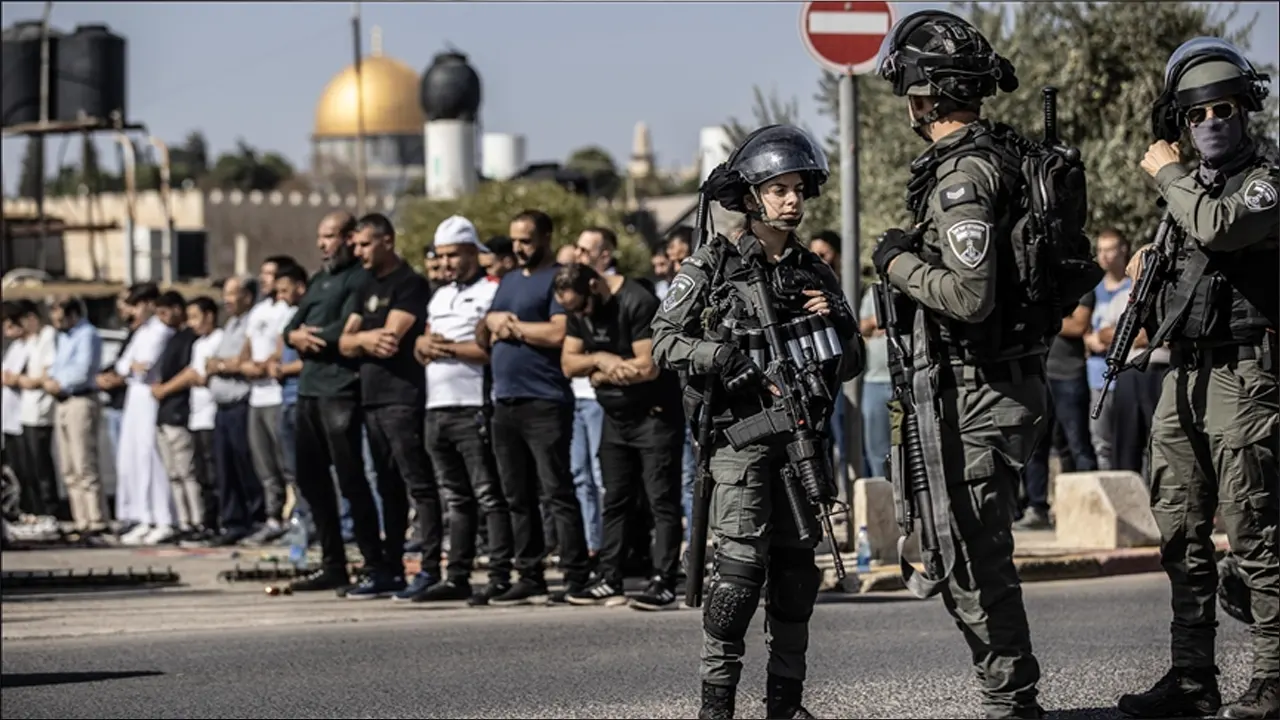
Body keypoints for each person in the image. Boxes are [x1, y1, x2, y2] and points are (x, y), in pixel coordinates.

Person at [651, 125, 864, 719]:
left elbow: (852, 364)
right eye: (777, 189)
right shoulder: (712, 265)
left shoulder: (814, 272)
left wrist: (837, 326)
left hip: (801, 444)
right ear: (751, 197)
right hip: (741, 445)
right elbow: (664, 342)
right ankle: (715, 708)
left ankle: (784, 706)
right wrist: (719, 355)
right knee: (738, 582)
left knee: (796, 582)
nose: (791, 200)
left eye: (797, 188)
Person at [872, 11, 1045, 718]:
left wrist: (895, 260)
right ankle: (1012, 696)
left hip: (977, 394)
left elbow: (970, 296)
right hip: (982, 389)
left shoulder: (962, 178)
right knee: (970, 558)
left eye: (911, 91)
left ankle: (1012, 703)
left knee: (974, 561)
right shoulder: (995, 158)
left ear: (928, 96)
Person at [1116, 37, 1278, 720]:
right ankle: (1192, 677)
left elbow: (1221, 228)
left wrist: (1167, 176)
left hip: (1244, 375)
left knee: (1255, 529)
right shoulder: (1186, 194)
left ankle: (1272, 675)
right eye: (1197, 113)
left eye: (1225, 108)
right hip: (1181, 375)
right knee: (1180, 531)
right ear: (1179, 122)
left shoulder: (1265, 180)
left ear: (1248, 111)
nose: (1212, 121)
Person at [475, 209, 591, 606]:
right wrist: (492, 322)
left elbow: (560, 331)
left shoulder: (557, 277)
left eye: (526, 240)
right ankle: (530, 574)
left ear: (544, 237)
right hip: (504, 402)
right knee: (516, 495)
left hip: (544, 400)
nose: (519, 248)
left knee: (555, 489)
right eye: (515, 241)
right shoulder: (507, 280)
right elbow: (486, 330)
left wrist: (515, 328)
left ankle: (576, 576)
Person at [556, 263, 685, 611]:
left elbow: (647, 367)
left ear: (595, 285)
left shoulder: (636, 301)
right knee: (615, 498)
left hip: (654, 415)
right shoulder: (577, 305)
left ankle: (664, 579)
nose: (580, 315)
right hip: (616, 418)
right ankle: (609, 577)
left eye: (582, 306)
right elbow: (568, 363)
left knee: (661, 499)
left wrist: (599, 376)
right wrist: (600, 358)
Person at [338, 212, 442, 600]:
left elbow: (391, 338)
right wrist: (364, 339)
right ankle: (390, 568)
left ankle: (430, 568)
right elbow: (345, 342)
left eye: (365, 244)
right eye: (356, 245)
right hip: (371, 397)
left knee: (419, 485)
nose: (358, 251)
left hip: (402, 397)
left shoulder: (409, 283)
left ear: (387, 241)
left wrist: (361, 339)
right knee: (386, 487)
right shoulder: (363, 284)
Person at [416, 215, 514, 605]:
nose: (447, 263)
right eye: (441, 256)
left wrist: (447, 348)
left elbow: (487, 351)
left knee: (489, 494)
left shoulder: (492, 291)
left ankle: (500, 574)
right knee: (454, 498)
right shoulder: (439, 295)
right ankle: (456, 574)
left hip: (472, 404)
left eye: (454, 255)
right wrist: (426, 347)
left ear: (473, 252)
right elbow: (421, 345)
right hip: (436, 406)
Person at [283, 211, 381, 593]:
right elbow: (290, 325)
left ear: (348, 237)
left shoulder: (359, 279)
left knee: (351, 480)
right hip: (309, 390)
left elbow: (349, 327)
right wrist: (296, 337)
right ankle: (332, 562)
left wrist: (316, 337)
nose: (323, 245)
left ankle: (373, 561)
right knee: (311, 480)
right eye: (320, 237)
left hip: (340, 390)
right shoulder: (321, 279)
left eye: (330, 237)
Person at [239, 256, 299, 545]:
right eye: (262, 274)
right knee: (264, 464)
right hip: (257, 396)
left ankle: (295, 517)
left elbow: (280, 348)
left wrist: (266, 365)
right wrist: (246, 365)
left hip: (278, 394)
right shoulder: (259, 311)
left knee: (287, 463)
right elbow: (246, 351)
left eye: (270, 274)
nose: (265, 280)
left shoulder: (289, 311)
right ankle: (273, 517)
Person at [113, 283, 177, 545]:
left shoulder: (162, 332)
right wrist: (130, 367)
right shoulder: (141, 332)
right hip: (134, 399)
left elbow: (144, 366)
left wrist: (131, 367)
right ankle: (143, 516)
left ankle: (164, 518)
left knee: (153, 459)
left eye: (139, 304)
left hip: (150, 397)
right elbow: (122, 365)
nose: (135, 311)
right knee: (133, 458)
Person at [204, 276, 264, 546]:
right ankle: (233, 522)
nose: (226, 300)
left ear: (247, 297)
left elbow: (242, 363)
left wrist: (223, 365)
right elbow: (214, 362)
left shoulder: (253, 321)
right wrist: (221, 364)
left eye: (232, 294)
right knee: (224, 468)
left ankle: (255, 519)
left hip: (241, 403)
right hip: (221, 406)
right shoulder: (230, 325)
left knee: (245, 465)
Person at [43, 296, 106, 540]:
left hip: (80, 398)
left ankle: (96, 518)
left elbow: (83, 370)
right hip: (62, 401)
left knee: (84, 463)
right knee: (68, 466)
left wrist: (59, 384)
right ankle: (80, 519)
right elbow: (58, 366)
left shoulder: (86, 335)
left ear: (72, 315)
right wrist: (50, 380)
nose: (57, 323)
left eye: (60, 317)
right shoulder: (63, 337)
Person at [148, 291, 204, 542]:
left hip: (179, 411)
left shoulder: (191, 339)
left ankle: (198, 521)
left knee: (187, 471)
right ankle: (184, 520)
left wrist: (165, 388)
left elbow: (190, 372)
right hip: (164, 413)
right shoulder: (173, 338)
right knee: (173, 473)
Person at [1084, 229, 1133, 471]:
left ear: (1123, 250)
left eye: (1109, 249)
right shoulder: (1093, 289)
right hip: (1096, 377)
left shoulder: (1133, 287)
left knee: (1131, 441)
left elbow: (1134, 332)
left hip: (1127, 377)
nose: (1104, 256)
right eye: (1100, 250)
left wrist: (1105, 336)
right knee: (1100, 442)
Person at [181, 296, 225, 541]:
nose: (192, 323)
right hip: (195, 415)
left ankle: (218, 521)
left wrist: (197, 375)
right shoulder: (198, 344)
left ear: (209, 315)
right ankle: (206, 523)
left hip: (210, 414)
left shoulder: (219, 339)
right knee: (200, 474)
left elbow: (203, 376)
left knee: (213, 471)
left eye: (196, 317)